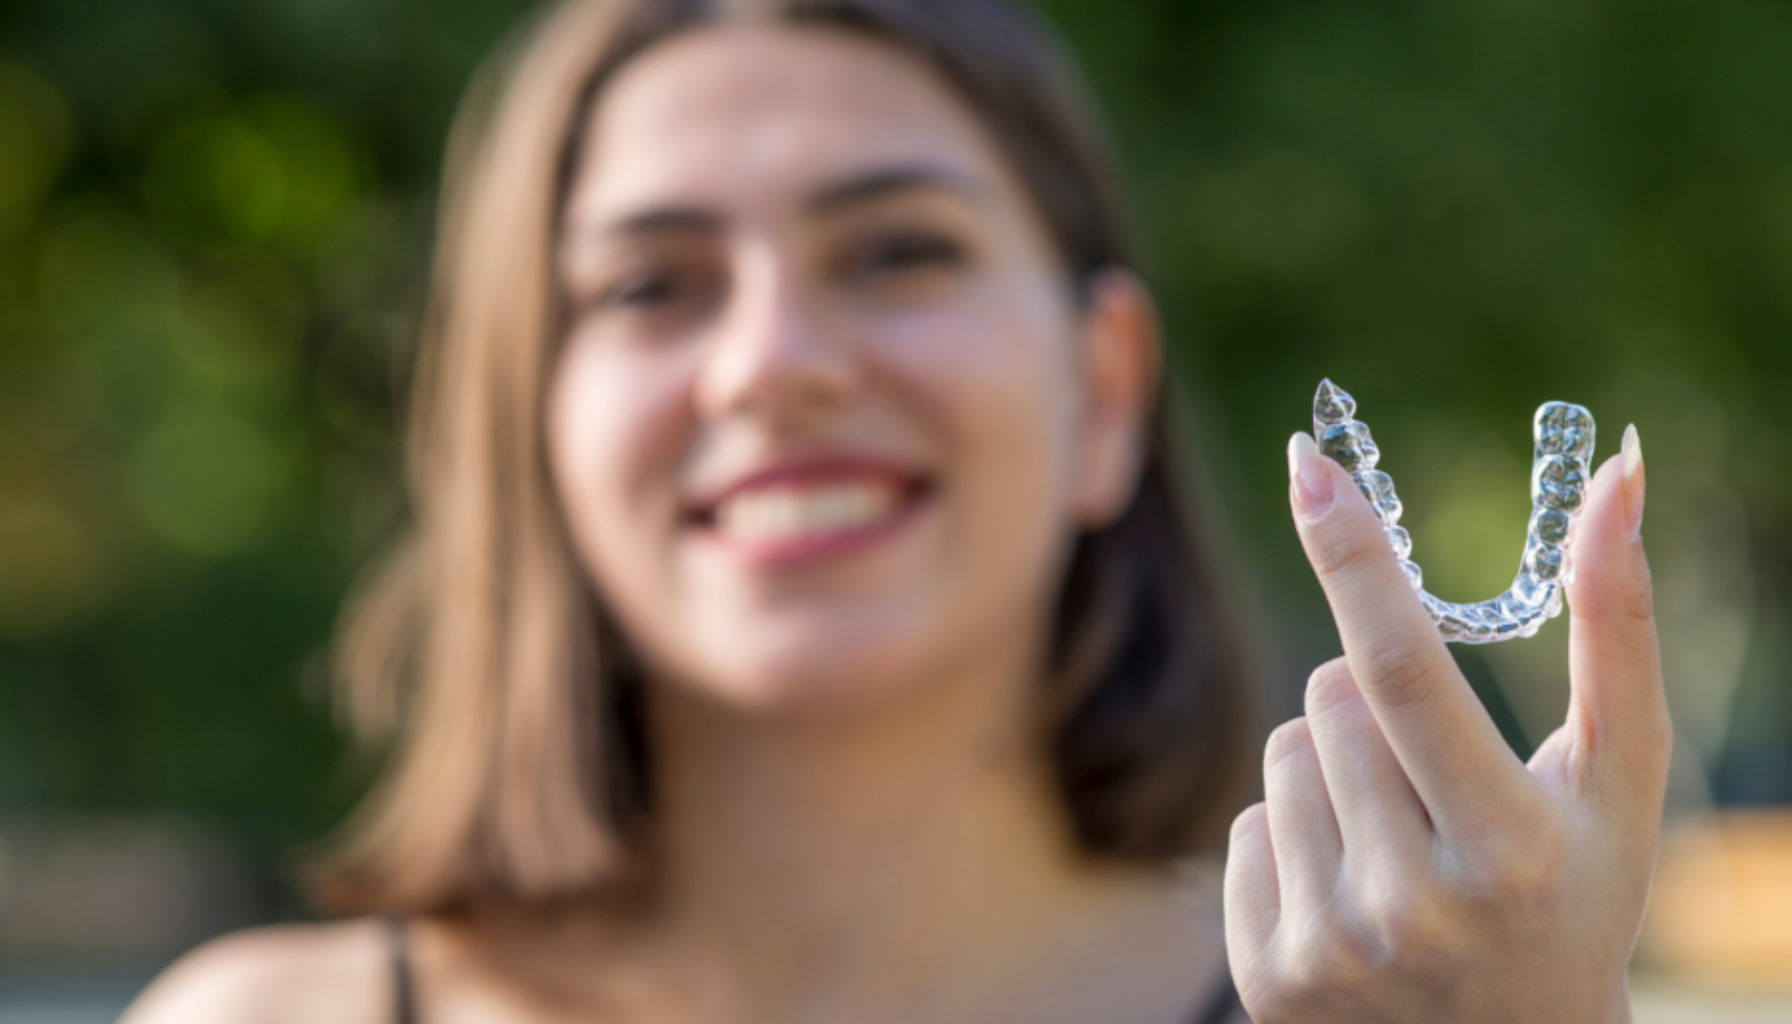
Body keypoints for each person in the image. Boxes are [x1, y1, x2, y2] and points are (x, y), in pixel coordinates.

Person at [121, 1, 1671, 1021]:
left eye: (895, 253)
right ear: (529, 424)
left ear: (1106, 390)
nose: (774, 365)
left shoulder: (1381, 1003)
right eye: (652, 284)